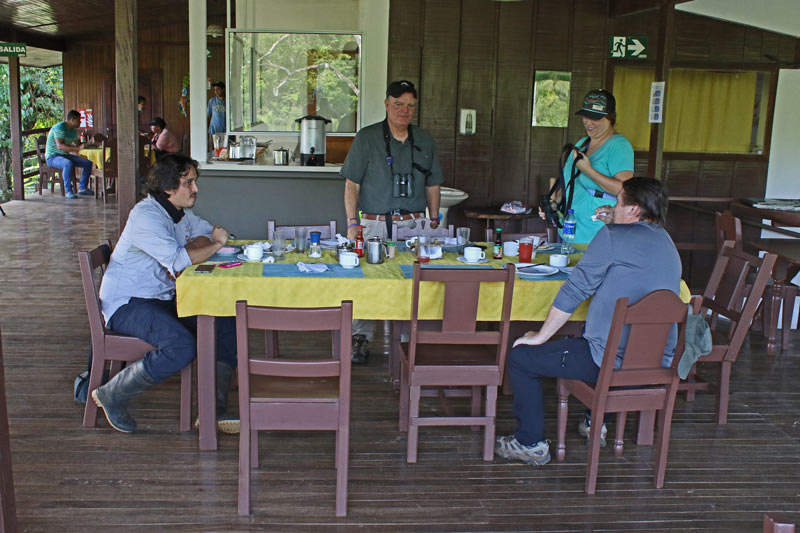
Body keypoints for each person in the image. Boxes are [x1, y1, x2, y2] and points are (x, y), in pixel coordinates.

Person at [495, 177, 681, 466]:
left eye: (619, 202)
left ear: (633, 210)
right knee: (585, 338)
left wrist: (541, 335)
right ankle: (596, 421)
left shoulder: (612, 236)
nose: (613, 206)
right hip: (655, 361)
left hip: (607, 360)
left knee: (522, 356)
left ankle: (528, 442)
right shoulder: (667, 241)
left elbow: (576, 289)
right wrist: (615, 219)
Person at [93, 153, 238, 435]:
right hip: (127, 304)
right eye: (189, 183)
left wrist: (205, 243)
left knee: (224, 318)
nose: (196, 189)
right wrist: (214, 245)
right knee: (181, 345)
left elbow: (208, 232)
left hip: (160, 299)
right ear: (169, 187)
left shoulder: (179, 213)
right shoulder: (146, 216)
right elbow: (179, 259)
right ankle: (112, 394)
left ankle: (214, 409)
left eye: (195, 182)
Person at [340, 79, 444, 363]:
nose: (404, 110)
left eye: (410, 105)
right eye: (398, 104)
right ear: (387, 104)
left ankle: (410, 339)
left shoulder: (425, 140)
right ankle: (360, 338)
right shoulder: (367, 137)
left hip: (414, 224)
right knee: (367, 282)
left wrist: (434, 220)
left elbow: (433, 184)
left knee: (416, 281)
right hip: (374, 223)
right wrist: (352, 222)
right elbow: (352, 184)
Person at [553, 89, 634, 243]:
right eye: (585, 116)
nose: (588, 122)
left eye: (595, 118)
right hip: (570, 227)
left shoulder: (619, 146)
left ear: (610, 118)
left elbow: (625, 190)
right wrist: (554, 203)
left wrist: (588, 171)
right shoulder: (582, 143)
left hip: (595, 230)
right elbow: (570, 181)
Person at [45, 109, 94, 199]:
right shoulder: (60, 127)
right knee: (67, 163)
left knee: (88, 163)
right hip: (53, 157)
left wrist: (89, 143)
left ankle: (82, 188)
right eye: (79, 120)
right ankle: (68, 191)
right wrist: (77, 148)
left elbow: (78, 145)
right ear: (72, 120)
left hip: (64, 155)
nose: (80, 122)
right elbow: (60, 146)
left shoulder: (72, 130)